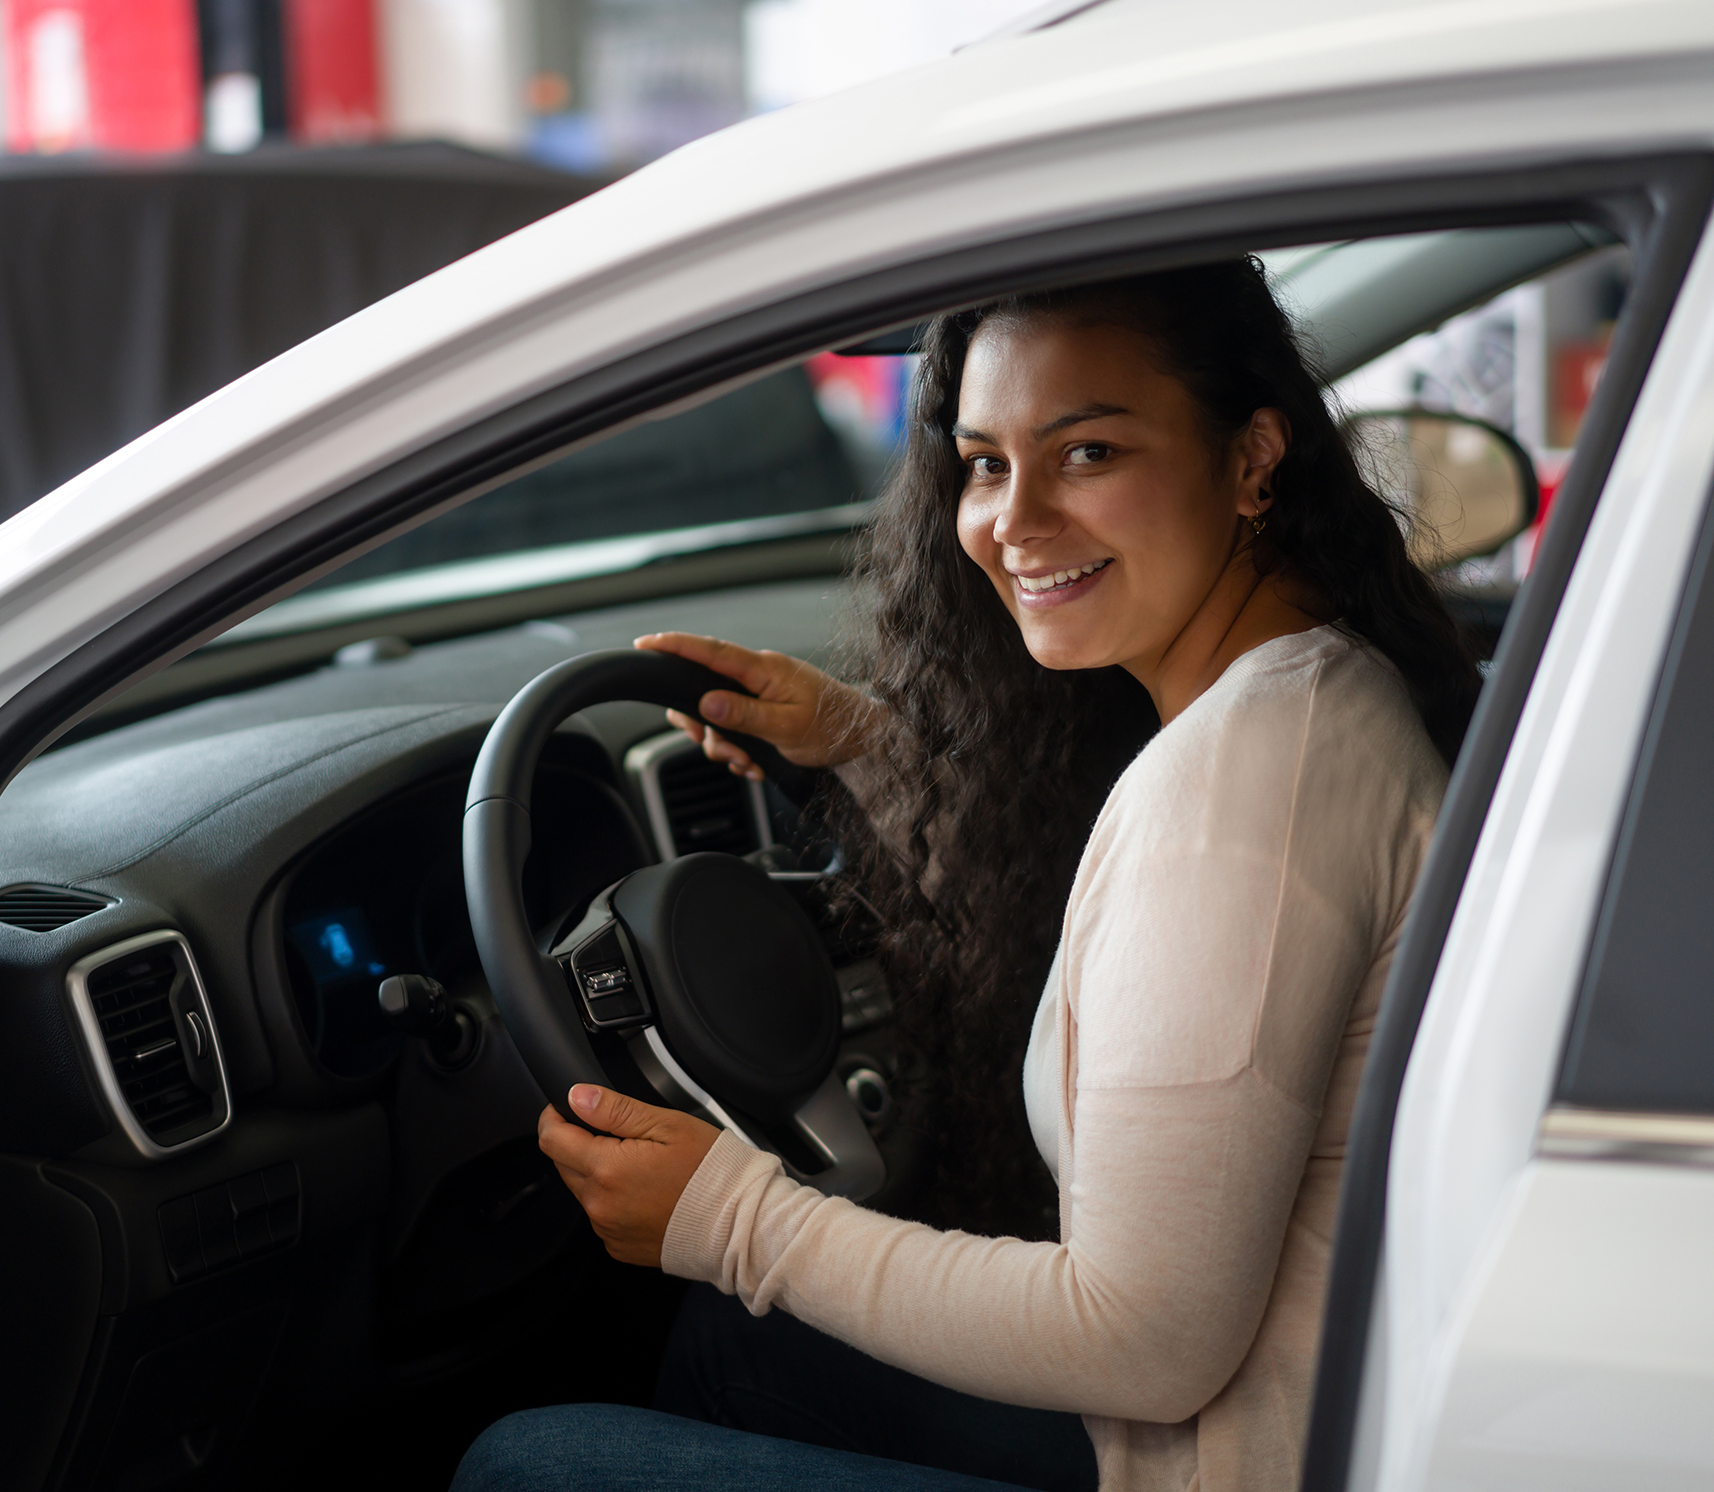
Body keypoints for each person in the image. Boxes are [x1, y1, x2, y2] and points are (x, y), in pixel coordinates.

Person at [454, 257, 1476, 1492]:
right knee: (731, 1351)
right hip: (1262, 1419)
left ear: (1254, 456)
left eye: (1088, 452)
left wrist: (733, 1221)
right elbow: (1166, 954)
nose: (1014, 520)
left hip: (1210, 1455)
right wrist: (867, 747)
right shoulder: (1313, 694)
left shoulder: (1231, 799)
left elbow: (1143, 1341)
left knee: (523, 1463)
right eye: (985, 463)